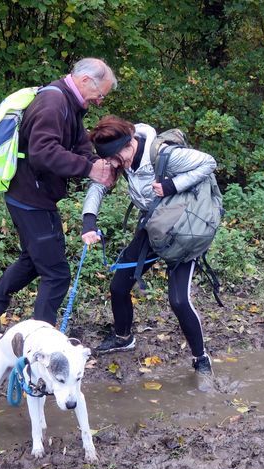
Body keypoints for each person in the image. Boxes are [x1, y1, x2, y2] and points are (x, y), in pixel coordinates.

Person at [0, 58, 117, 331]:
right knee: (56, 274)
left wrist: (96, 164)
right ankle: (41, 342)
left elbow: (79, 144)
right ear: (84, 81)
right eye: (100, 94)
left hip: (34, 196)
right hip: (30, 198)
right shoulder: (53, 103)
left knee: (33, 260)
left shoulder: (71, 104)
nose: (100, 101)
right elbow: (43, 153)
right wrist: (88, 169)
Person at [81, 115, 217, 376]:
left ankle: (201, 359)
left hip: (181, 228)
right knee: (119, 285)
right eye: (109, 161)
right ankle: (123, 338)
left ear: (129, 144)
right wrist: (89, 221)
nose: (112, 166)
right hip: (153, 225)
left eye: (116, 160)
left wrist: (171, 185)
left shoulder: (165, 155)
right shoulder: (118, 157)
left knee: (178, 300)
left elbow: (208, 163)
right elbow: (98, 185)